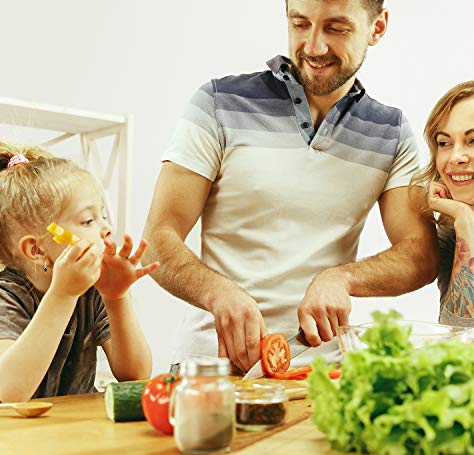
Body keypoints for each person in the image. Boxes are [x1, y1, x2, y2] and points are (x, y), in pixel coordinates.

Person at [143, 0, 438, 372]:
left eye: (336, 28)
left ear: (376, 28)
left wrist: (344, 278)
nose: (313, 47)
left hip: (320, 376)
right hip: (209, 368)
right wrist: (216, 292)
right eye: (300, 24)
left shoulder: (391, 133)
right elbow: (157, 237)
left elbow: (422, 254)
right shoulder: (219, 103)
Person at [0, 142, 158, 402]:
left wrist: (116, 298)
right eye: (88, 221)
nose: (106, 228)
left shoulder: (92, 288)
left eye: (102, 215)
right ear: (37, 248)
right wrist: (62, 295)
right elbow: (8, 391)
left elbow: (136, 374)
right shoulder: (7, 296)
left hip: (78, 431)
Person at [414, 81, 474, 332]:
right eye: (444, 143)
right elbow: (460, 343)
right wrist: (466, 224)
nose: (455, 157)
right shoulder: (453, 236)